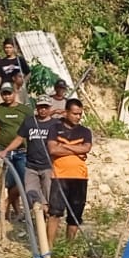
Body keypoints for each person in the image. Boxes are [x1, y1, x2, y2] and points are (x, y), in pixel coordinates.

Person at [47, 98, 93, 241]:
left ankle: (69, 247)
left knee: (75, 215)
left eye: (80, 114)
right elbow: (53, 149)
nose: (78, 117)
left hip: (80, 177)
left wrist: (64, 146)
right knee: (54, 213)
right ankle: (49, 247)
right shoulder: (55, 128)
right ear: (66, 112)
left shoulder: (85, 131)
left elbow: (86, 148)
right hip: (59, 176)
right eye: (74, 114)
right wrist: (77, 150)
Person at [0, 82, 28, 221]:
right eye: (4, 94)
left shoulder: (25, 110)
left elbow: (30, 129)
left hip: (22, 150)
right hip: (4, 151)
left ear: (14, 93)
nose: (7, 96)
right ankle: (16, 212)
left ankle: (6, 203)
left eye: (9, 93)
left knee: (25, 181)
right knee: (10, 182)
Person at [17, 99, 57, 237]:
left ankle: (48, 234)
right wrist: (5, 150)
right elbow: (19, 138)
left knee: (49, 200)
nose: (43, 110)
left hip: (48, 166)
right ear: (37, 107)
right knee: (31, 195)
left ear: (49, 108)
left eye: (45, 107)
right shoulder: (29, 122)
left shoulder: (55, 124)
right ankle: (38, 229)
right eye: (40, 107)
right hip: (31, 165)